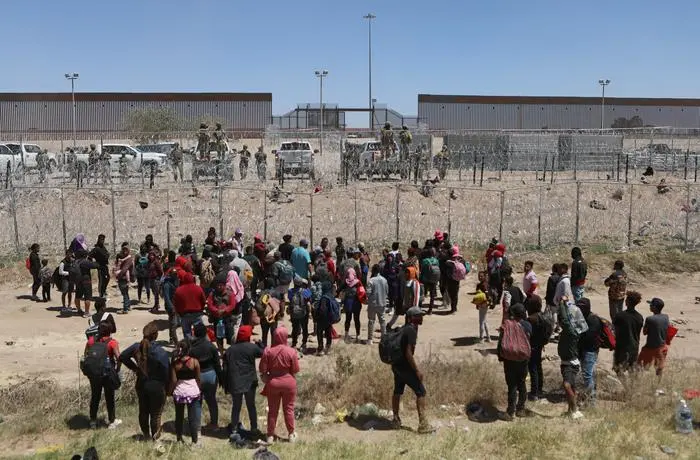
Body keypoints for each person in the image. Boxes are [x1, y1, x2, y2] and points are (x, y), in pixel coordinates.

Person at [119, 321, 170, 441]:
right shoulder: (160, 352)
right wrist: (167, 387)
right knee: (156, 414)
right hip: (157, 385)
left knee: (143, 411)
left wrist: (135, 368)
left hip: (141, 384)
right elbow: (166, 371)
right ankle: (155, 438)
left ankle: (146, 435)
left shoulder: (137, 347)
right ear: (155, 335)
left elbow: (122, 357)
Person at [391, 306, 433, 433]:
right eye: (419, 316)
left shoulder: (403, 329)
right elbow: (408, 353)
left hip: (396, 365)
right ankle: (423, 425)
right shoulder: (411, 331)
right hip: (405, 366)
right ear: (411, 318)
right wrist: (416, 371)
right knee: (421, 392)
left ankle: (395, 419)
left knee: (398, 391)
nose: (421, 318)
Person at [259, 326, 300, 444]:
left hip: (273, 383)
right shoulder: (291, 351)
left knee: (272, 410)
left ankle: (270, 436)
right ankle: (291, 434)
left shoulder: (268, 351)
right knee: (289, 409)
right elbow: (296, 369)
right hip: (289, 383)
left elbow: (262, 369)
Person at [224, 325, 263, 437]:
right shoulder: (251, 347)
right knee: (251, 406)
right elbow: (264, 352)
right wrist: (259, 342)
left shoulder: (230, 350)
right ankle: (254, 428)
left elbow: (225, 368)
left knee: (236, 406)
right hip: (250, 381)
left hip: (235, 381)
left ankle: (234, 429)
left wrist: (226, 385)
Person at [84, 321, 122, 430]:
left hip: (94, 374)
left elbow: (86, 356)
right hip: (107, 374)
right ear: (109, 331)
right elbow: (119, 358)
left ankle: (92, 421)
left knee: (95, 396)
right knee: (109, 397)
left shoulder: (91, 341)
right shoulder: (112, 343)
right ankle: (111, 421)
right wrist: (117, 369)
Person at [497, 303, 532, 421]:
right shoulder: (527, 325)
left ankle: (510, 412)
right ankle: (520, 409)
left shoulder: (507, 325)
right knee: (522, 383)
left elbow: (501, 341)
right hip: (523, 359)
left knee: (512, 385)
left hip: (509, 360)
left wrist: (500, 356)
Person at [189, 323, 222, 431]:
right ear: (205, 333)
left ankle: (197, 427)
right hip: (211, 375)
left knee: (197, 402)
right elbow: (217, 364)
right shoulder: (211, 346)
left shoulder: (191, 348)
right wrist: (221, 378)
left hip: (197, 377)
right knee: (212, 400)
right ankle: (214, 424)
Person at [169, 340, 202, 446]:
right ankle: (194, 441)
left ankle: (179, 439)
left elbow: (174, 381)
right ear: (189, 349)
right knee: (193, 418)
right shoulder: (195, 362)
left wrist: (170, 391)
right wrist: (199, 389)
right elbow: (198, 378)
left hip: (179, 392)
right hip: (192, 392)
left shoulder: (175, 364)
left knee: (179, 416)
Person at [558, 298, 584, 419]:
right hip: (570, 361)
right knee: (572, 387)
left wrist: (562, 303)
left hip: (569, 363)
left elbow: (564, 319)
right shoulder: (576, 328)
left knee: (567, 385)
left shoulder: (570, 330)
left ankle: (574, 410)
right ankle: (571, 410)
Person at [577, 298, 601, 406]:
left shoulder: (593, 320)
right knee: (587, 374)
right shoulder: (582, 318)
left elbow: (589, 337)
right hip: (584, 350)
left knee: (587, 375)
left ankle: (592, 401)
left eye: (582, 307)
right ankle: (589, 395)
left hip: (590, 350)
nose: (580, 309)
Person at [613, 291, 644, 375]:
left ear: (628, 302)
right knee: (631, 370)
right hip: (634, 347)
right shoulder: (639, 317)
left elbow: (615, 330)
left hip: (622, 347)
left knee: (619, 369)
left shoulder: (620, 315)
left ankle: (625, 386)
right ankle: (631, 387)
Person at [638, 297, 670, 381]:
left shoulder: (650, 319)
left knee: (639, 365)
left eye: (651, 305)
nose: (650, 306)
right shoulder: (666, 317)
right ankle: (658, 383)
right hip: (662, 346)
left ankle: (639, 381)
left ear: (655, 307)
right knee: (659, 368)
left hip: (650, 347)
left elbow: (645, 332)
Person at [207, 272, 239, 354]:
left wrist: (225, 310)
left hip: (227, 318)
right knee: (218, 337)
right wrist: (216, 310)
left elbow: (232, 305)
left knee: (230, 336)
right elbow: (210, 304)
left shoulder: (230, 294)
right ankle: (221, 352)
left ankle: (231, 352)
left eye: (221, 285)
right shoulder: (212, 294)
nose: (219, 287)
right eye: (218, 285)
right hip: (217, 319)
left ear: (224, 285)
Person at [526, 295, 550, 401]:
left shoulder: (531, 319)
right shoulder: (544, 317)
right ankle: (540, 388)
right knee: (538, 366)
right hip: (540, 345)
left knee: (533, 369)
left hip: (532, 346)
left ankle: (534, 392)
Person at [174, 272, 207, 340]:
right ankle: (199, 346)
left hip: (184, 315)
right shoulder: (198, 288)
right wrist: (201, 309)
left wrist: (179, 313)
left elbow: (176, 304)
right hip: (197, 314)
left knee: (187, 334)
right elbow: (203, 301)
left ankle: (189, 348)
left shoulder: (178, 290)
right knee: (200, 333)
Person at [287, 277, 312, 352]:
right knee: (305, 328)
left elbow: (290, 299)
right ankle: (304, 343)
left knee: (295, 328)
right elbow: (309, 299)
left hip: (294, 313)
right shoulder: (305, 291)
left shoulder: (290, 291)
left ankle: (294, 344)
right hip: (303, 313)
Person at [366, 264, 388, 345]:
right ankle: (384, 338)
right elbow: (386, 291)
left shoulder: (371, 280)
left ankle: (370, 339)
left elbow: (368, 293)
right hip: (382, 303)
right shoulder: (384, 280)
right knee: (382, 321)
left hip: (373, 304)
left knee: (371, 321)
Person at [161, 252, 180, 345]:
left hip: (177, 304)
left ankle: (172, 338)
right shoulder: (167, 285)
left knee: (173, 323)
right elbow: (167, 297)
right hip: (171, 306)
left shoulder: (176, 282)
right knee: (173, 323)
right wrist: (171, 307)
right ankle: (175, 341)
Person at [340, 268, 363, 342]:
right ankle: (358, 335)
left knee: (348, 319)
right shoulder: (358, 282)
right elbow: (362, 290)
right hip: (356, 302)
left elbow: (339, 289)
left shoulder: (346, 282)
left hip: (348, 302)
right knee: (357, 319)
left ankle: (346, 335)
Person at [74, 250, 99, 318]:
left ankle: (79, 310)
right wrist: (92, 260)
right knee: (87, 297)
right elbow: (96, 265)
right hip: (86, 281)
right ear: (85, 255)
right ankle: (86, 312)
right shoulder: (85, 262)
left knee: (77, 296)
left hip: (78, 281)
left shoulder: (76, 261)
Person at [313, 281, 336, 355]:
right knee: (328, 333)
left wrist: (317, 316)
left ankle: (320, 349)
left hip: (323, 319)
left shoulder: (324, 298)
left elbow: (322, 309)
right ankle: (328, 348)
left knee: (319, 333)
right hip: (329, 319)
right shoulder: (331, 296)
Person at [114, 246, 134, 315]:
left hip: (123, 278)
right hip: (124, 278)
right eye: (123, 250)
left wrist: (118, 276)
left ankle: (125, 309)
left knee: (124, 294)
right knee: (126, 293)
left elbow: (124, 269)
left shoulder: (128, 260)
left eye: (126, 250)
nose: (125, 252)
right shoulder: (126, 258)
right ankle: (128, 306)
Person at [419, 248, 440, 314]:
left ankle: (419, 308)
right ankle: (430, 310)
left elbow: (422, 270)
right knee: (432, 295)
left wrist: (420, 278)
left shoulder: (424, 261)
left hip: (425, 279)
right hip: (434, 279)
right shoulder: (436, 260)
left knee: (422, 294)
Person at [544, 263, 561, 328]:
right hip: (559, 298)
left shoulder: (551, 278)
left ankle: (553, 327)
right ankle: (558, 327)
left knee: (554, 313)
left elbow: (549, 290)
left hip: (553, 298)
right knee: (558, 312)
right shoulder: (561, 277)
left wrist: (547, 299)